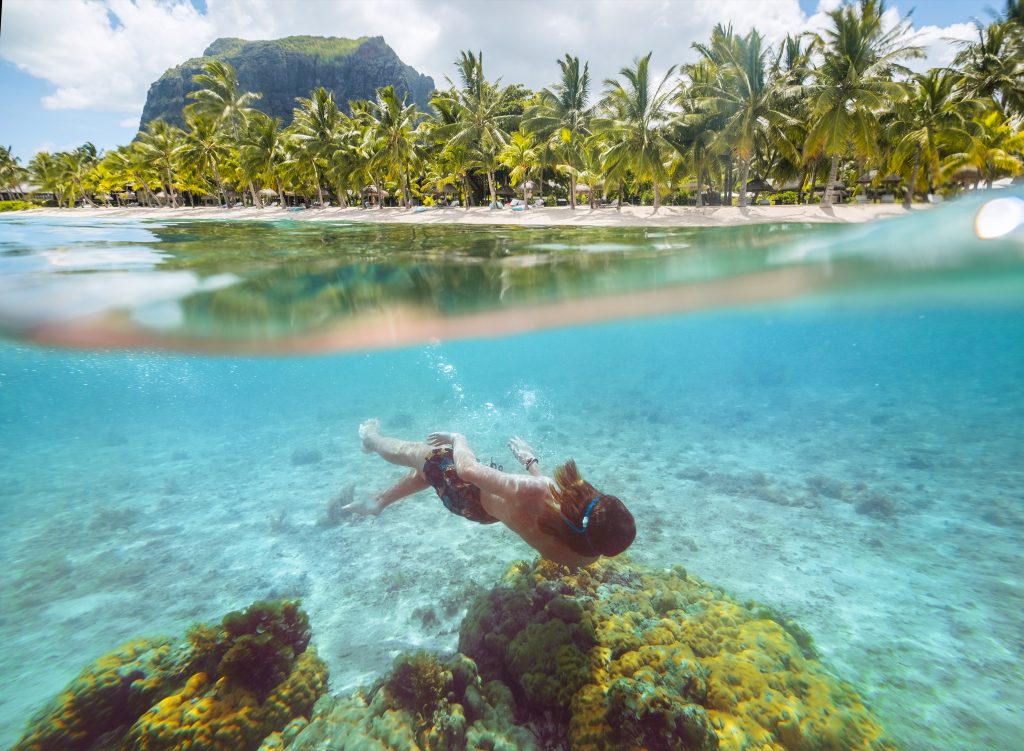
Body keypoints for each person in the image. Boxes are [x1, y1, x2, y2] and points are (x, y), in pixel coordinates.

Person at [345, 419, 636, 567]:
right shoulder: (584, 553)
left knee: (423, 455)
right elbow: (550, 505)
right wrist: (530, 463)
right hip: (481, 513)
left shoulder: (539, 490)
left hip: (463, 488)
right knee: (430, 472)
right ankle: (378, 502)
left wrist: (460, 438)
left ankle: (370, 437)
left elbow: (467, 471)